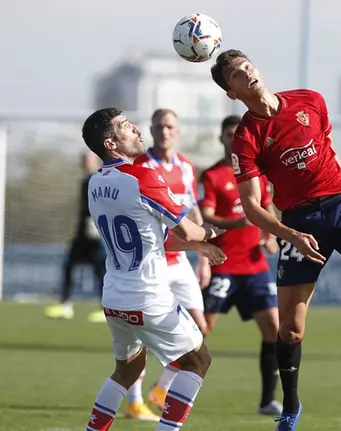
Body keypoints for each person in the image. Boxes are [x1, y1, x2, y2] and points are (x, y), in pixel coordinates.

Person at [210, 49, 341, 430]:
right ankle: (290, 407)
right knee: (290, 328)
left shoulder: (310, 100)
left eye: (247, 66)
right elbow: (252, 207)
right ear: (232, 93)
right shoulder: (247, 139)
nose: (247, 73)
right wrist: (291, 235)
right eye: (236, 75)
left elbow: (329, 153)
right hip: (299, 221)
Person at [80, 107, 225, 431]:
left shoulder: (95, 183)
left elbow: (151, 237)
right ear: (110, 143)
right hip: (148, 298)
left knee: (127, 371)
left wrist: (196, 246)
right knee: (198, 360)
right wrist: (208, 233)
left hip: (114, 297)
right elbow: (189, 229)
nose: (135, 127)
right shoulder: (142, 177)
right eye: (124, 125)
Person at [198, 114, 282, 415]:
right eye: (229, 134)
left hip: (255, 267)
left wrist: (270, 236)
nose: (234, 139)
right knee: (201, 329)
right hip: (222, 265)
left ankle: (267, 401)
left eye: (239, 134)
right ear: (221, 138)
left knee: (274, 329)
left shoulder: (257, 173)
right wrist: (237, 222)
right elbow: (206, 215)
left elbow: (267, 208)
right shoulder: (211, 176)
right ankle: (165, 388)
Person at [129, 109, 210, 420]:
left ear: (177, 130)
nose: (164, 131)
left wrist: (203, 257)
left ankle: (162, 388)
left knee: (200, 329)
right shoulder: (140, 166)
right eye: (159, 126)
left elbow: (193, 211)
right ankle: (135, 401)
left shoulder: (186, 167)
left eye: (170, 126)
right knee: (141, 333)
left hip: (181, 260)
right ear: (151, 130)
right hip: (153, 260)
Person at [44, 151, 107, 323]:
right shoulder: (87, 180)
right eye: (84, 160)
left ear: (96, 161)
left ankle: (106, 308)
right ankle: (65, 305)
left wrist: (95, 224)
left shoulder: (97, 179)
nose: (86, 162)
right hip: (83, 233)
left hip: (93, 232)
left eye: (89, 159)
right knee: (71, 265)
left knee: (99, 269)